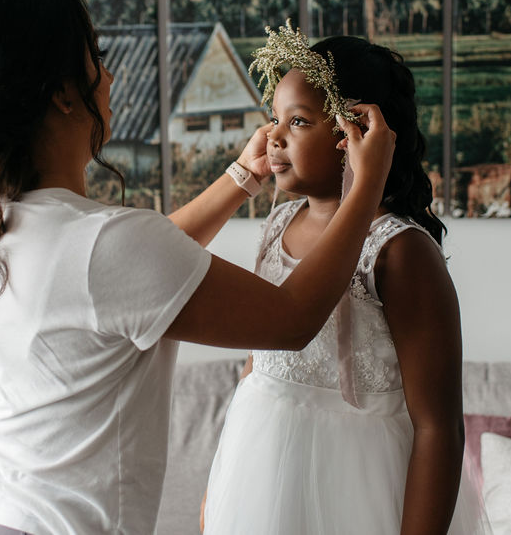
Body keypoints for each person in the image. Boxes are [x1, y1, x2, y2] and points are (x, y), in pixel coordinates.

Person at [0, 0, 396, 535]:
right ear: (64, 94)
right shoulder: (105, 245)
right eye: (96, 57)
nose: (112, 75)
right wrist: (365, 186)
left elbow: (137, 272)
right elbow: (290, 320)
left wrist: (242, 178)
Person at [200, 29, 491, 534]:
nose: (274, 136)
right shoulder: (278, 223)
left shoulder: (399, 251)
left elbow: (438, 427)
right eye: (274, 118)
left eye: (298, 121)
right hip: (261, 475)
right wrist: (218, 494)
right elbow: (256, 366)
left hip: (358, 488)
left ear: (353, 131)